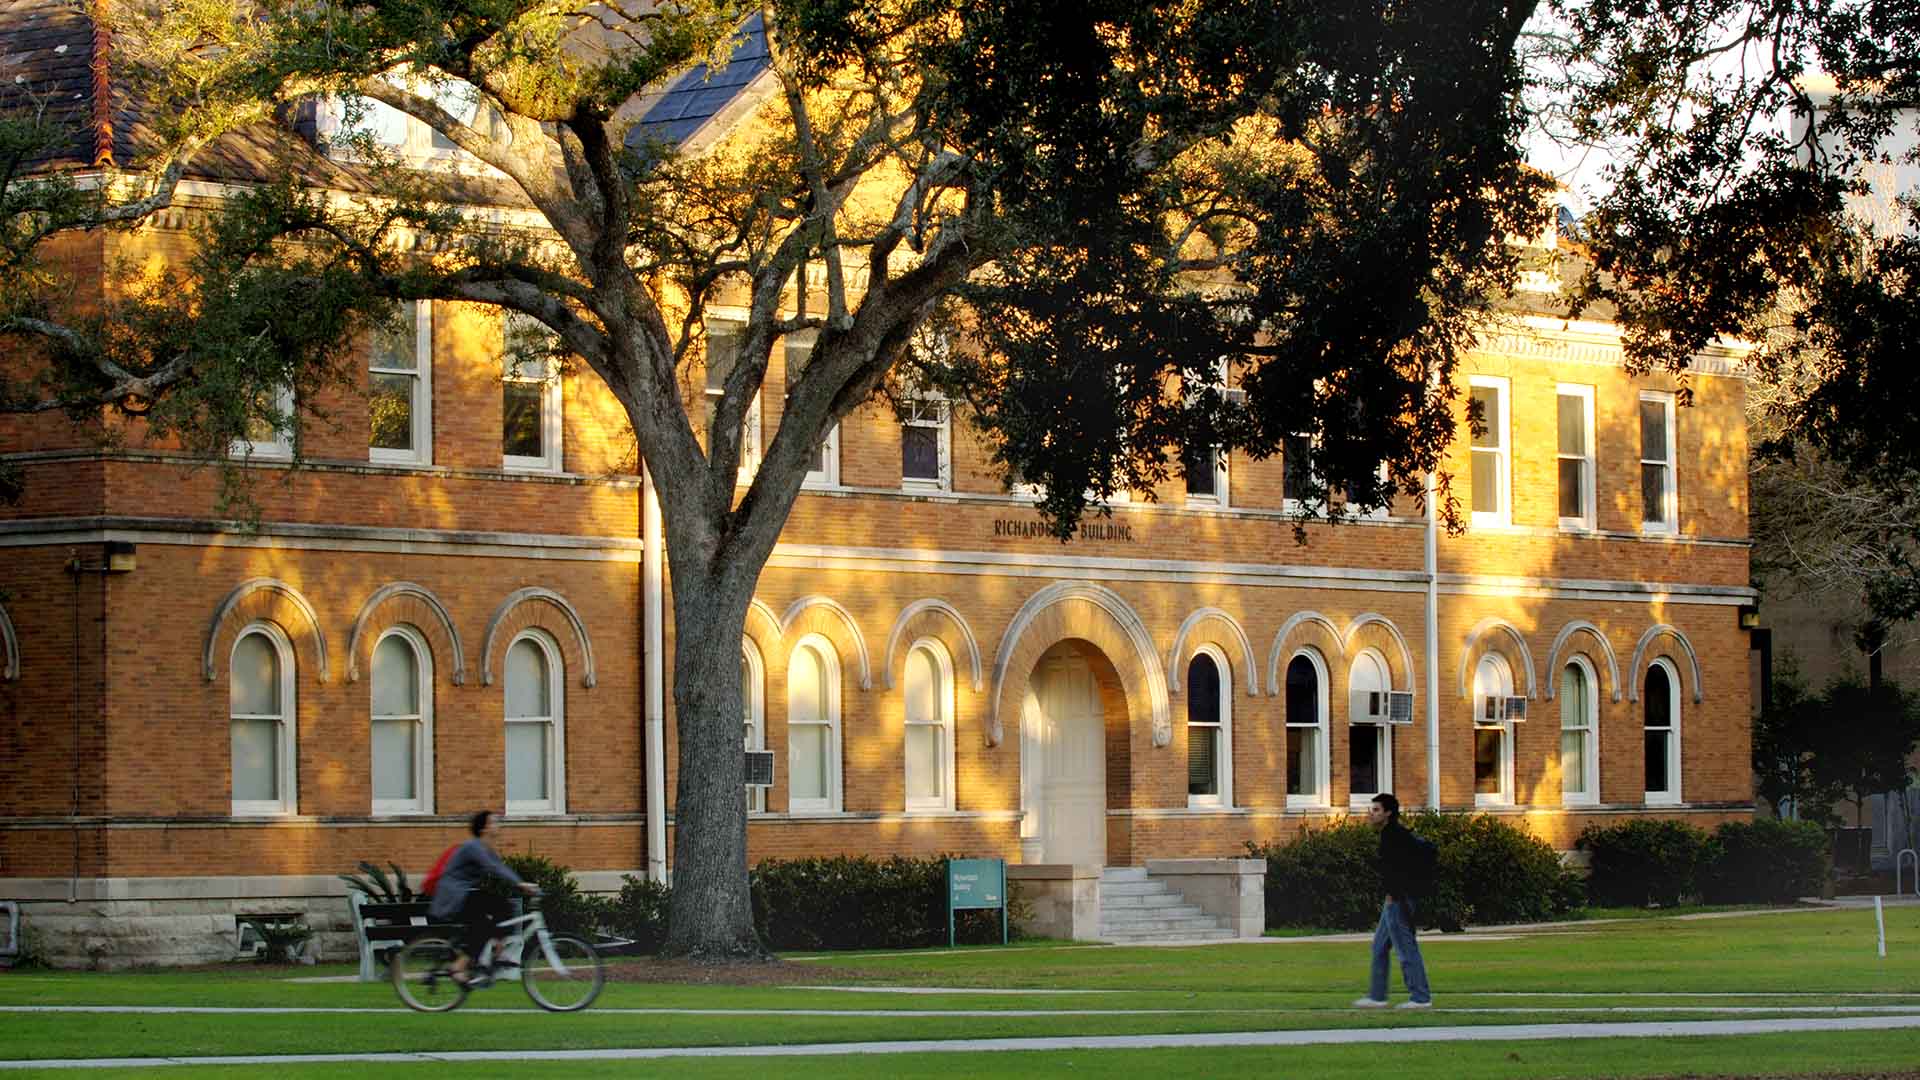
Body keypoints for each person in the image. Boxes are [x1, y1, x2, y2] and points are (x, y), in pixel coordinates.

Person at [428, 809, 538, 985]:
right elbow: (494, 868)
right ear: (484, 828)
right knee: (484, 925)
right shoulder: (473, 847)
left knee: (503, 907)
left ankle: (496, 954)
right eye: (494, 822)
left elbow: (501, 867)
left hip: (463, 894)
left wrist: (522, 883)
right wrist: (521, 884)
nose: (498, 825)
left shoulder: (486, 849)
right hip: (453, 897)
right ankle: (459, 967)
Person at [1353, 792, 1432, 1009]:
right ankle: (1377, 996)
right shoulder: (1392, 834)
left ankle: (1420, 998)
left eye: (1376, 810)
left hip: (1398, 900)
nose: (1371, 814)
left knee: (1405, 949)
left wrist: (1395, 894)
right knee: (1379, 946)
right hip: (1394, 899)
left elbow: (1397, 870)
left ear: (1388, 813)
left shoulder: (1394, 836)